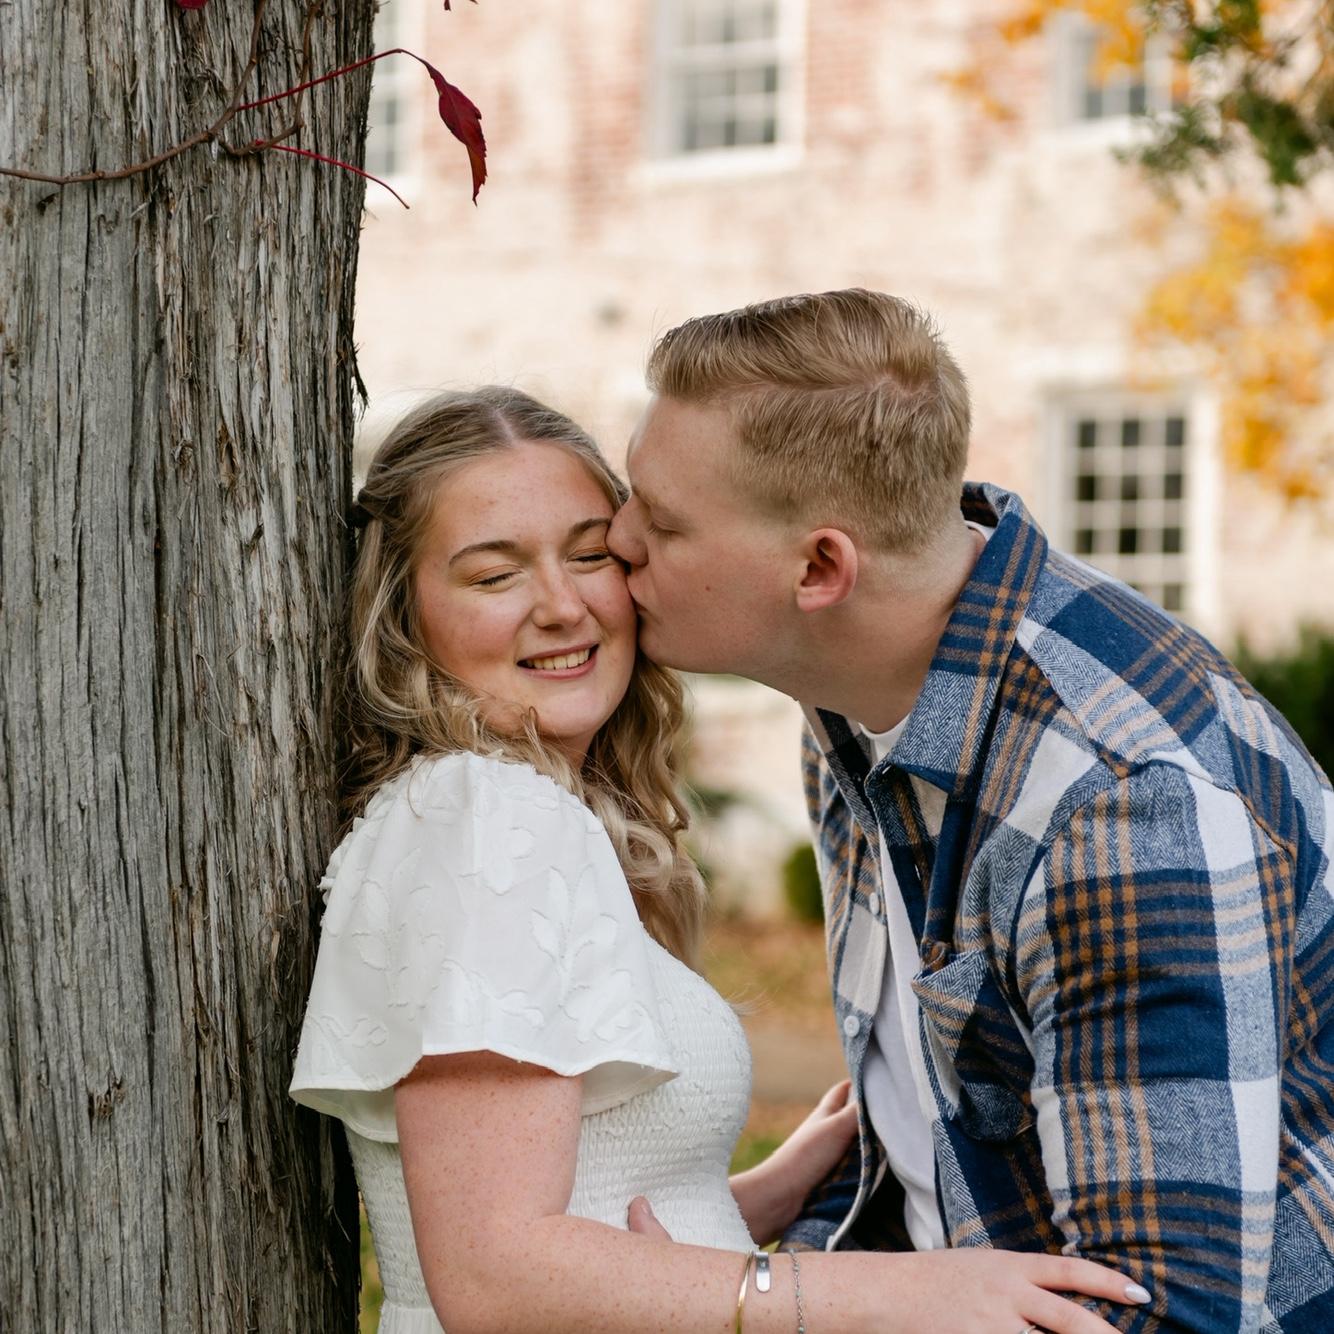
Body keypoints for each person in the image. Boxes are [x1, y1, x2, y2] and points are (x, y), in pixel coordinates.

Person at [288, 385, 1150, 1333]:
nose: (563, 606)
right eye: (495, 576)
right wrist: (915, 1292)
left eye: (590, 555)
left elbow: (579, 1213)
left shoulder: (520, 813)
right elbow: (494, 1274)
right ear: (402, 616)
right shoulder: (484, 818)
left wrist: (772, 1188)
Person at [606, 289, 1334, 1331]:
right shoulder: (854, 687)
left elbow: (1158, 1313)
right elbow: (928, 1161)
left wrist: (751, 1300)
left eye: (662, 521)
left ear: (819, 567)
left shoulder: (1119, 812)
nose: (617, 539)